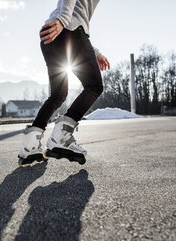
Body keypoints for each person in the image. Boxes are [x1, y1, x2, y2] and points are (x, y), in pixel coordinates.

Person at [18, 0, 110, 166]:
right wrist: (62, 19)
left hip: (51, 35)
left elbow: (80, 17)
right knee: (94, 86)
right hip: (66, 28)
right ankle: (61, 137)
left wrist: (95, 52)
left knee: (58, 95)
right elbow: (75, 22)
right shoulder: (66, 20)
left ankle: (29, 146)